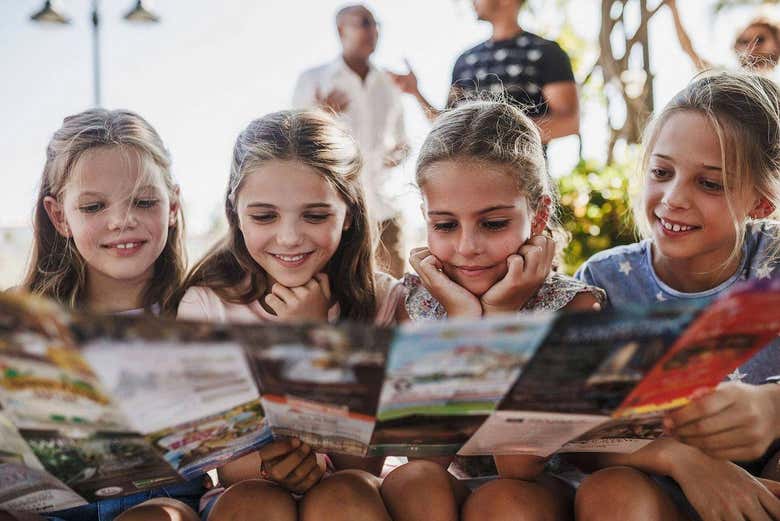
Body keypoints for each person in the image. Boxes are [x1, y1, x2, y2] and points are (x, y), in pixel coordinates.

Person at [378, 100, 604, 521]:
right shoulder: (420, 303)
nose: (467, 247)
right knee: (411, 480)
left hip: (542, 492)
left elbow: (519, 465)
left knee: (504, 500)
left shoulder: (574, 306)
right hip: (455, 489)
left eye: (493, 224)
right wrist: (461, 325)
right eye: (445, 225)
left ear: (538, 217)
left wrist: (501, 320)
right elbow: (423, 454)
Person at [177, 109, 402, 521]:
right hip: (250, 490)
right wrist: (274, 465)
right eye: (264, 216)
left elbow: (362, 465)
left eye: (315, 216)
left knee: (344, 495)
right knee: (254, 501)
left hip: (355, 492)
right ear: (236, 212)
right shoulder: (207, 306)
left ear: (349, 212)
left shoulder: (384, 301)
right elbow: (226, 465)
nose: (289, 237)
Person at [574, 71, 780, 521]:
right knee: (609, 492)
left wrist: (774, 408)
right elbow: (572, 434)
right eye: (662, 172)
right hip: (653, 488)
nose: (672, 198)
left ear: (761, 202)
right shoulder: (604, 281)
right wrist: (682, 459)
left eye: (709, 183)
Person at [11, 108, 199, 521]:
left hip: (163, 503)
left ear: (172, 206)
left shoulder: (199, 310)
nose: (121, 221)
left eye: (144, 201)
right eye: (94, 207)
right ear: (60, 216)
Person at [292, 4, 408, 278]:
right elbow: (292, 145)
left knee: (394, 299)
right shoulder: (313, 81)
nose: (374, 30)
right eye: (365, 23)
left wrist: (397, 157)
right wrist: (318, 116)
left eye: (376, 23)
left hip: (386, 210)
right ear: (341, 30)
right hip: (335, 212)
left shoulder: (389, 84)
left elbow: (403, 140)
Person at [389, 0, 579, 145]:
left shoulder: (547, 53)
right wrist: (416, 93)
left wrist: (492, 133)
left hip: (523, 183)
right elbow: (448, 125)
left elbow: (569, 123)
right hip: (464, 183)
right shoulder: (465, 60)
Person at [667, 0, 780, 73]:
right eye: (743, 42)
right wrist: (673, 9)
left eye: (760, 39)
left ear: (777, 44)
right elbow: (690, 52)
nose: (751, 46)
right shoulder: (728, 78)